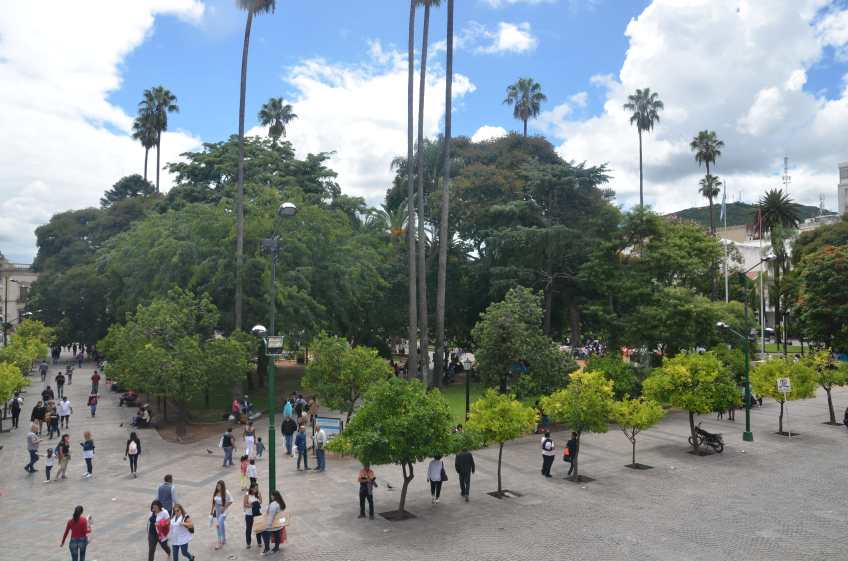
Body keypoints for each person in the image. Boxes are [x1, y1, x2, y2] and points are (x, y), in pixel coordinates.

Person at [210, 479, 233, 549]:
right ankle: (223, 539)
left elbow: (231, 501)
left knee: (219, 524)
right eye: (217, 486)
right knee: (220, 526)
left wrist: (224, 507)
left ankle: (219, 543)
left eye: (219, 486)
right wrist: (211, 510)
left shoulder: (226, 492)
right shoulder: (216, 492)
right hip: (217, 510)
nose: (218, 487)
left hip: (223, 511)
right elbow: (213, 502)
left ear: (222, 486)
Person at [243, 484, 262, 549]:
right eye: (255, 488)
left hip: (257, 514)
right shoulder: (247, 494)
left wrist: (259, 494)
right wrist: (251, 505)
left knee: (258, 528)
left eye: (257, 488)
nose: (256, 489)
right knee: (249, 529)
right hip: (249, 514)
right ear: (251, 488)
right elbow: (245, 504)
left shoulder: (257, 493)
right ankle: (248, 543)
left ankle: (259, 542)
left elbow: (260, 502)